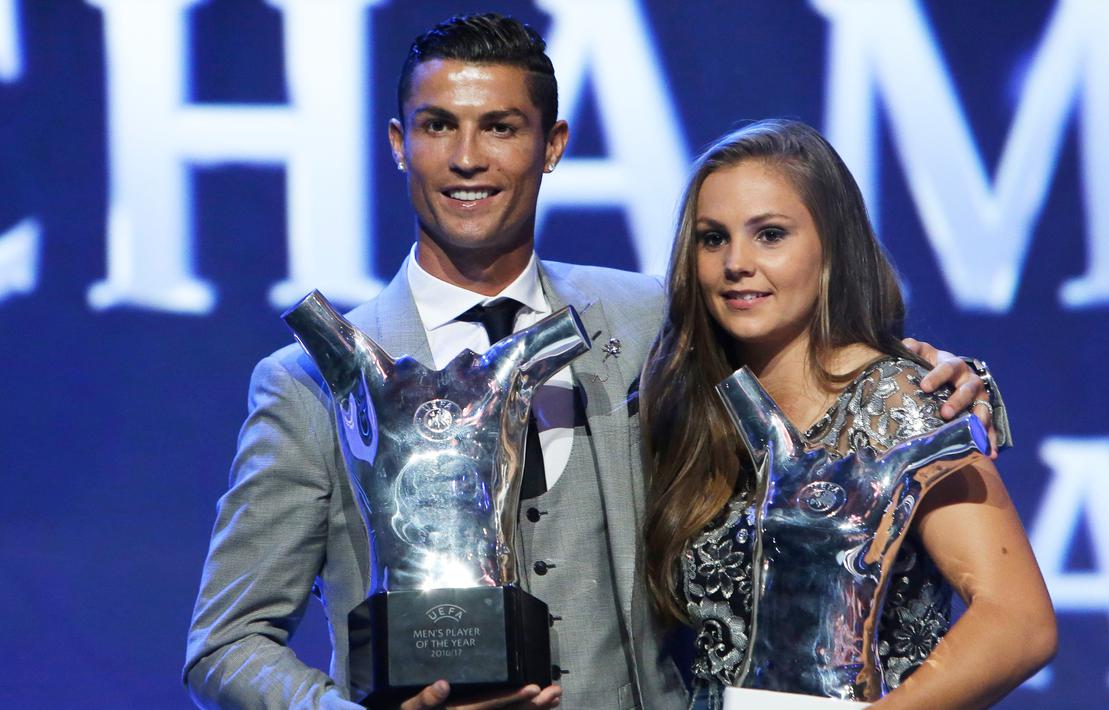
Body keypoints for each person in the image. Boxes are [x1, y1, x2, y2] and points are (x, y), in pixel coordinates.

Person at [185, 14, 1000, 710]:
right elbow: (224, 643)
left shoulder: (652, 318)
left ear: (552, 145)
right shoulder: (307, 382)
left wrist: (921, 379)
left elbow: (809, 374)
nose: (468, 157)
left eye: (500, 126)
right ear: (400, 145)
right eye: (438, 125)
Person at [640, 120, 1056, 709]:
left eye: (770, 235)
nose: (736, 262)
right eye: (713, 238)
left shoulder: (899, 400)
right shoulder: (697, 410)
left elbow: (1018, 623)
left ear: (831, 248)